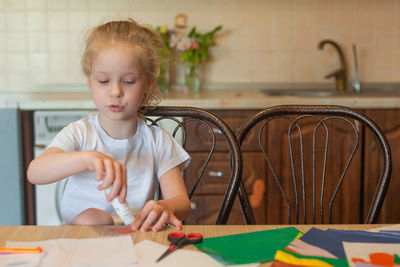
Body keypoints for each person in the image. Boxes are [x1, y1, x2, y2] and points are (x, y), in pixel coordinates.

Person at [27, 19, 191, 232]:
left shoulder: (157, 141)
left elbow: (182, 203)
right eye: (104, 81)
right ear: (89, 81)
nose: (115, 92)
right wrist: (86, 159)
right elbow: (35, 172)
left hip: (136, 239)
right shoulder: (80, 133)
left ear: (148, 83)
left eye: (129, 81)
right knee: (93, 218)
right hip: (79, 241)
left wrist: (165, 206)